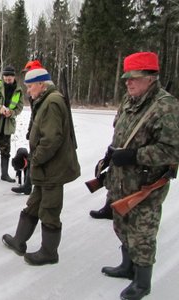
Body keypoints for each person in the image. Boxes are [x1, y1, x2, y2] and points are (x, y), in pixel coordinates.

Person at [100, 52, 179, 300]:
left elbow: (172, 150)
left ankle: (142, 282)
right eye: (126, 78)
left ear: (150, 78)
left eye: (133, 78)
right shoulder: (130, 99)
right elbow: (121, 131)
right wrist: (112, 153)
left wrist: (134, 156)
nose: (128, 82)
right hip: (121, 179)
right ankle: (127, 266)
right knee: (121, 225)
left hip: (146, 184)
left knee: (142, 233)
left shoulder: (166, 107)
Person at [2, 67, 80, 266]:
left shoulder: (52, 102)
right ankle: (19, 241)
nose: (27, 91)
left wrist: (33, 160)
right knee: (34, 203)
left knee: (50, 209)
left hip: (53, 169)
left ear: (42, 85)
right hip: (45, 167)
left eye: (30, 86)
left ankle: (49, 253)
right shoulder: (45, 99)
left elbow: (51, 140)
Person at [0, 65, 24, 183]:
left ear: (14, 77)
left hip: (7, 126)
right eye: (5, 76)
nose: (7, 79)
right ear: (3, 76)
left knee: (5, 151)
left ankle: (5, 174)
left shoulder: (18, 89)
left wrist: (11, 113)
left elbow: (20, 107)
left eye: (10, 76)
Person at [11, 60, 44, 195]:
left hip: (43, 132)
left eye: (28, 72)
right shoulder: (34, 90)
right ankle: (28, 184)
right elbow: (34, 115)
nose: (26, 75)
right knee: (32, 158)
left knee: (37, 159)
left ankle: (31, 185)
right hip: (36, 131)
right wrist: (31, 130)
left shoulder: (41, 90)